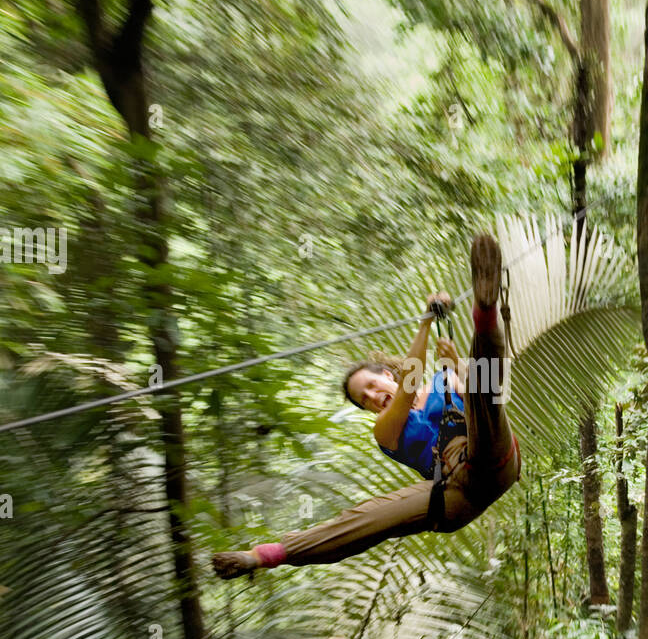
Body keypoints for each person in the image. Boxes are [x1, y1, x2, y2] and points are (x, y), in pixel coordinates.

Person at [211, 234, 520, 578]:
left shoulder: (440, 382)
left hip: (491, 455)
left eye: (372, 386)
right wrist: (425, 321)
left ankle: (486, 313)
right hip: (454, 493)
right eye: (364, 400)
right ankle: (265, 555)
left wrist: (455, 365)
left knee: (482, 385)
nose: (372, 397)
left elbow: (490, 389)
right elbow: (410, 382)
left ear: (387, 374)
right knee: (368, 518)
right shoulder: (385, 430)